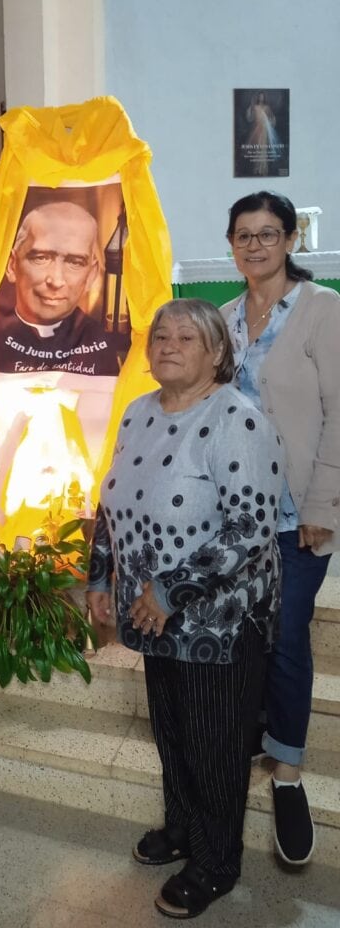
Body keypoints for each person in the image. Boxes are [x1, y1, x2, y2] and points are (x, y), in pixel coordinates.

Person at [88, 298, 282, 919]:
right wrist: (98, 574)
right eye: (160, 335)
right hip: (150, 618)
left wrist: (170, 592)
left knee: (216, 745)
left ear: (218, 353)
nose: (168, 344)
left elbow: (251, 528)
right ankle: (182, 830)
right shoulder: (137, 412)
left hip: (215, 623)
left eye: (186, 337)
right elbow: (109, 499)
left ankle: (216, 862)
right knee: (172, 734)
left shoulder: (237, 419)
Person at [220, 190, 340, 866]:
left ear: (291, 240)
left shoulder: (324, 313)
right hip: (237, 516)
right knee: (246, 632)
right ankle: (249, 733)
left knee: (287, 634)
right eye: (244, 234)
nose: (256, 245)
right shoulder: (225, 318)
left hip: (300, 515)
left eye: (269, 233)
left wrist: (324, 504)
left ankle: (289, 776)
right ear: (232, 244)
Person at [0, 201, 120, 375]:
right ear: (12, 265)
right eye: (41, 258)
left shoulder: (104, 345)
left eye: (75, 262)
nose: (56, 281)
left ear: (91, 274)